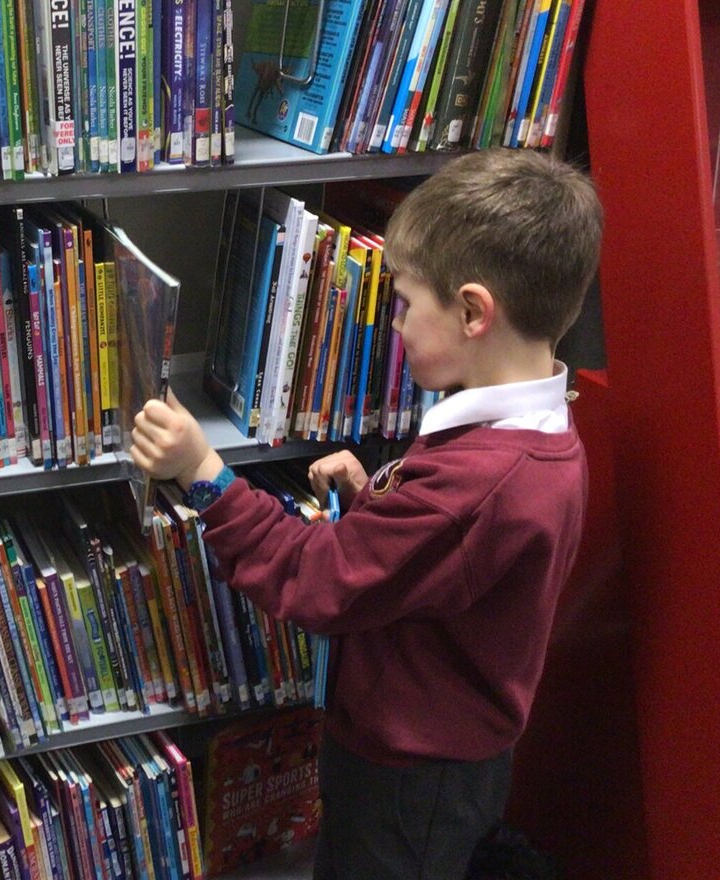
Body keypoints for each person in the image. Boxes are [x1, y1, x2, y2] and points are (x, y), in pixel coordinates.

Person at [130, 148, 603, 879]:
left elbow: (319, 580)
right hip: (449, 755)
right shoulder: (540, 434)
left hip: (409, 776)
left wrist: (204, 473)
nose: (396, 324)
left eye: (408, 303)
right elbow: (446, 568)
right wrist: (376, 500)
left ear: (475, 311)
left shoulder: (483, 481)